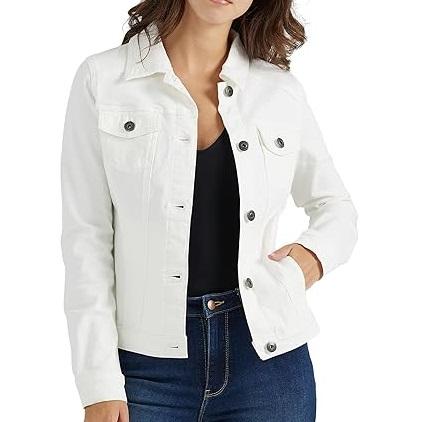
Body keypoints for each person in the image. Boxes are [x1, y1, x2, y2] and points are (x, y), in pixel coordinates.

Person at [60, 0, 358, 421]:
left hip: (267, 363)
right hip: (145, 369)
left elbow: (336, 207)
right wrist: (98, 384)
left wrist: (311, 258)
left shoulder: (278, 91)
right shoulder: (105, 79)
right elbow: (86, 241)